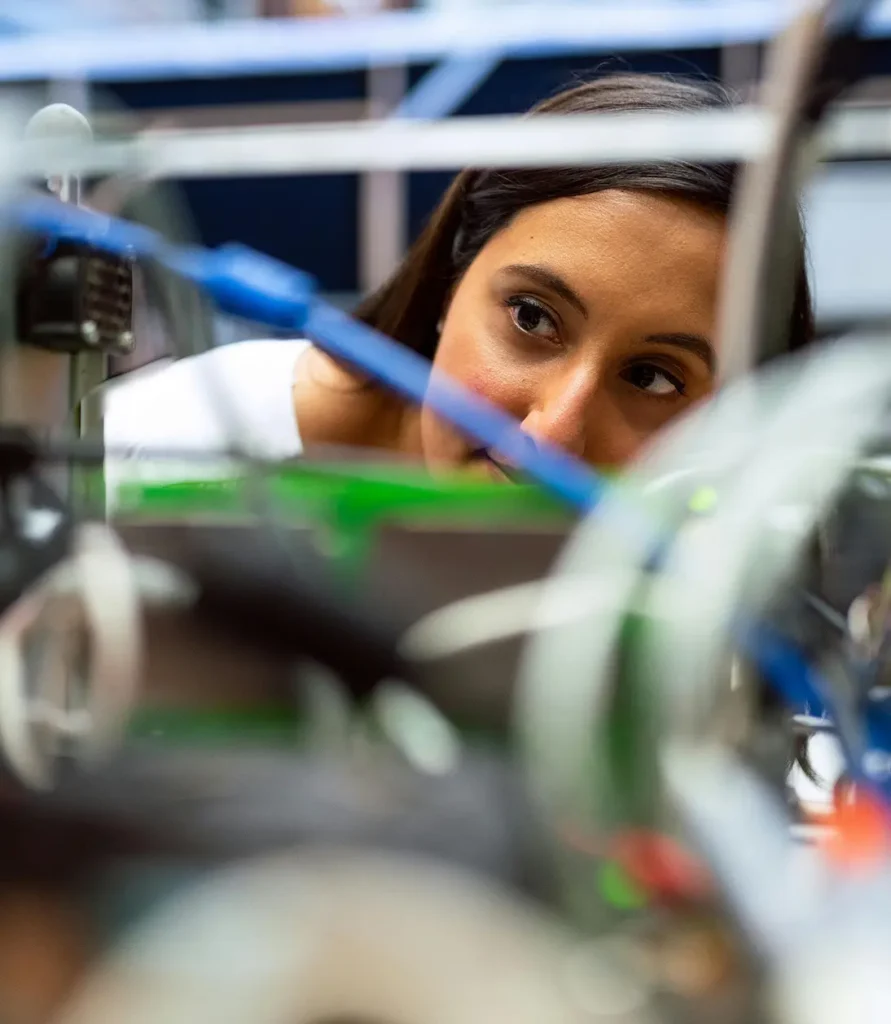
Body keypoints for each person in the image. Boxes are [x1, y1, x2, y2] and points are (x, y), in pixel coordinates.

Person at [103, 72, 813, 497]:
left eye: (652, 378)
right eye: (532, 319)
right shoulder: (153, 452)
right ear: (450, 280)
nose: (550, 436)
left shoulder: (695, 574)